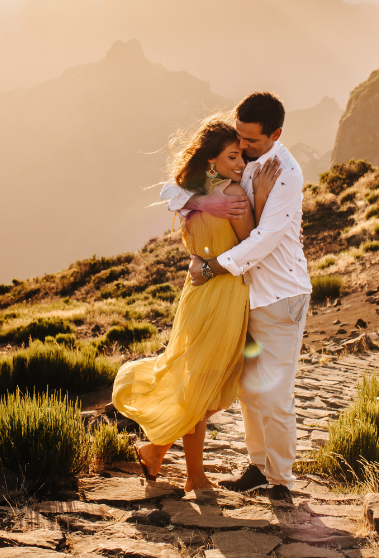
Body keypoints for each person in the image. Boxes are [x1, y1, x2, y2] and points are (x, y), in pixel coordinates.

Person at [112, 116, 282, 492]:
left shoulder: (191, 195)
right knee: (204, 386)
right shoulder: (234, 194)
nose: (241, 164)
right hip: (223, 292)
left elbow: (172, 196)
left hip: (197, 293)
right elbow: (252, 243)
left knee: (199, 383)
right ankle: (193, 476)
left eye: (241, 156)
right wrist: (264, 196)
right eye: (233, 156)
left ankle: (158, 452)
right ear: (212, 161)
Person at [160, 92, 311, 503]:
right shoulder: (242, 162)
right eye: (239, 139)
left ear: (276, 134)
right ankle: (258, 466)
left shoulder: (286, 173)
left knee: (275, 395)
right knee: (249, 390)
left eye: (251, 142)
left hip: (280, 295)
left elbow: (263, 239)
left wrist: (209, 267)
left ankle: (280, 480)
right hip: (245, 296)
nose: (242, 149)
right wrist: (207, 200)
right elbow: (173, 192)